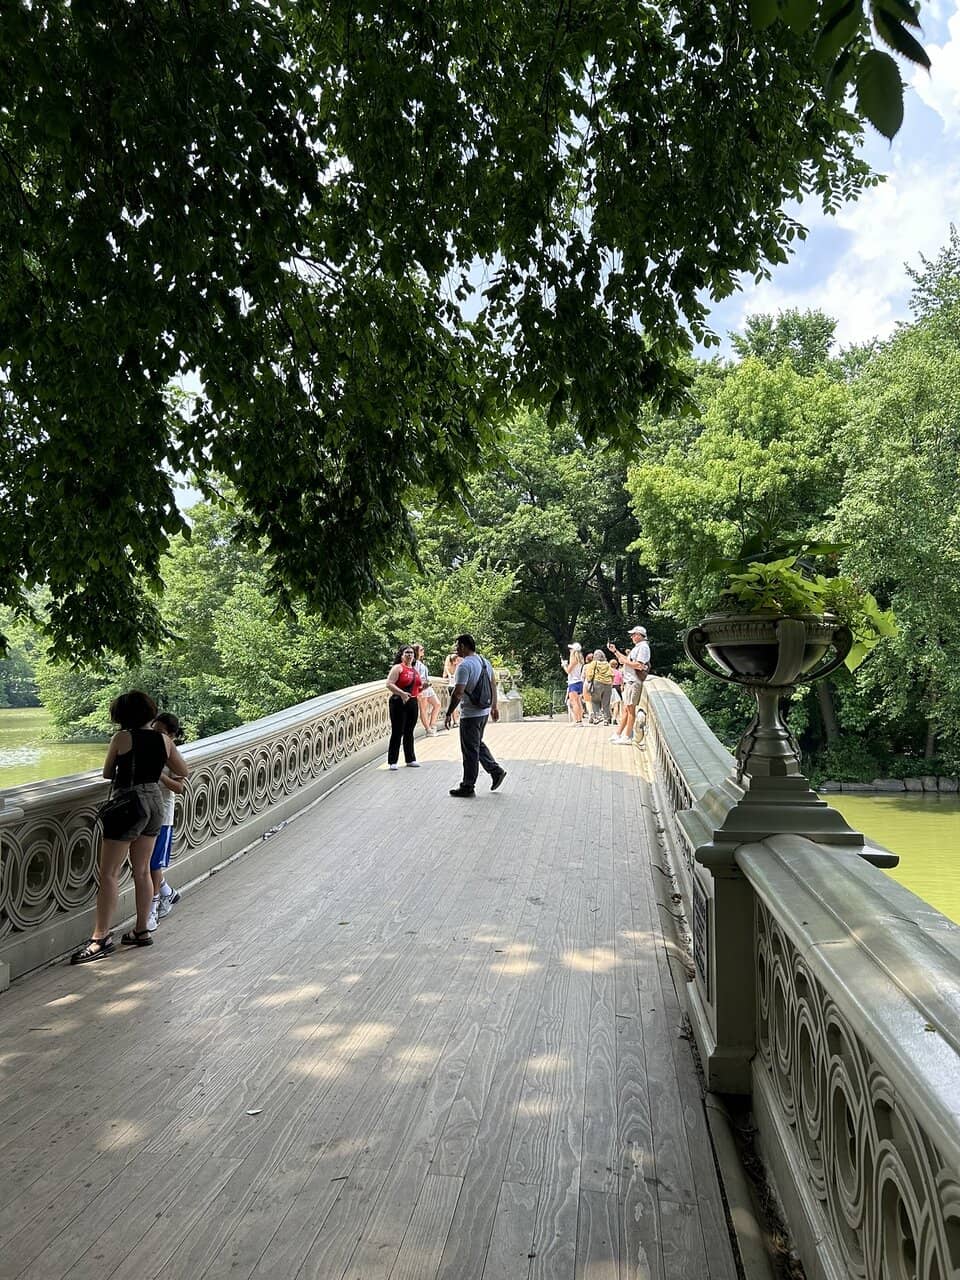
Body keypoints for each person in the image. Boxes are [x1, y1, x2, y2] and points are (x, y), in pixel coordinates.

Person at [71, 690, 190, 963]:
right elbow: (183, 771)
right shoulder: (164, 740)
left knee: (110, 873)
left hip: (128, 803)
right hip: (154, 804)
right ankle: (142, 929)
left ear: (121, 715)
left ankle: (100, 937)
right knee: (142, 870)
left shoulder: (121, 738)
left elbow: (106, 773)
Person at [445, 633, 506, 797]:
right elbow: (493, 684)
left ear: (464, 646)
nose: (456, 649)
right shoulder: (484, 662)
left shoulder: (464, 666)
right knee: (476, 744)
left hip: (470, 713)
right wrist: (494, 706)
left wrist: (449, 712)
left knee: (470, 750)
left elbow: (458, 693)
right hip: (484, 711)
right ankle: (495, 771)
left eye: (458, 646)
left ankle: (468, 785)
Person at [146, 712, 187, 932]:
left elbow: (180, 787)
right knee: (147, 864)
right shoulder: (148, 750)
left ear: (172, 735)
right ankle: (167, 893)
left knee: (153, 864)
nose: (156, 735)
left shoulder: (173, 755)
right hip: (145, 812)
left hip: (162, 815)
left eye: (161, 732)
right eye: (154, 730)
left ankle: (154, 908)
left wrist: (160, 776)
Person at [607, 626, 651, 744]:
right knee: (626, 709)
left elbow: (639, 665)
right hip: (629, 681)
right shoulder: (638, 647)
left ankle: (627, 737)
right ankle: (619, 734)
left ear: (640, 635)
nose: (631, 636)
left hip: (633, 681)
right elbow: (627, 660)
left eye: (633, 634)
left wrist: (625, 662)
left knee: (630, 709)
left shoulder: (643, 648)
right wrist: (615, 651)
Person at [385, 644, 422, 769]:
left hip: (412, 702)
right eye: (407, 652)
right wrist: (401, 693)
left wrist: (425, 687)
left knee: (409, 731)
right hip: (399, 702)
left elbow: (417, 688)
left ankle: (410, 759)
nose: (410, 655)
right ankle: (392, 761)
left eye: (411, 653)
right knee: (397, 731)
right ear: (401, 655)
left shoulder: (414, 670)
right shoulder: (398, 668)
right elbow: (389, 684)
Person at [413, 642, 441, 736]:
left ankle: (432, 725)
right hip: (421, 688)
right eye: (421, 650)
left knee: (437, 704)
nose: (423, 651)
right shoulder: (414, 663)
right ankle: (428, 729)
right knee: (423, 709)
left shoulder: (421, 662)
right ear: (416, 651)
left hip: (428, 687)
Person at [583, 648, 614, 725]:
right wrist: (611, 682)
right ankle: (606, 720)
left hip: (597, 683)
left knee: (595, 701)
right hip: (608, 684)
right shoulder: (607, 664)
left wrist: (589, 681)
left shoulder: (594, 663)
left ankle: (598, 717)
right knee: (606, 702)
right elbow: (612, 674)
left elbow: (589, 674)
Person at [561, 642, 586, 725]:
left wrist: (564, 665)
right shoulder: (580, 660)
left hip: (573, 682)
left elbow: (568, 671)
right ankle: (580, 720)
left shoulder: (573, 660)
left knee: (574, 702)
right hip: (579, 682)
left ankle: (577, 720)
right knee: (578, 702)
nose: (570, 650)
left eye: (571, 649)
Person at [442, 651, 462, 728]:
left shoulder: (449, 668)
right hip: (454, 687)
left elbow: (445, 675)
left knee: (454, 705)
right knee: (455, 705)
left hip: (451, 687)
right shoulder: (457, 668)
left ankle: (455, 720)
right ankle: (455, 720)